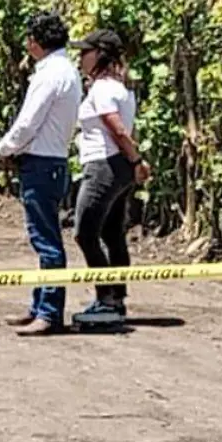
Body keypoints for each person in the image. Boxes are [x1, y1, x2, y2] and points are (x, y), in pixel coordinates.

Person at [0, 11, 82, 337]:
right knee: (44, 239)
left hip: (41, 163)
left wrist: (5, 148)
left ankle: (49, 312)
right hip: (54, 161)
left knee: (46, 241)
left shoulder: (50, 75)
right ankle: (40, 305)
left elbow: (28, 122)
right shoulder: (66, 71)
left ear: (35, 41)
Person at [70, 29, 152, 319]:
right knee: (112, 233)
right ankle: (116, 299)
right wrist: (132, 163)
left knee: (85, 233)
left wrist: (137, 159)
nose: (80, 58)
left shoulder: (102, 89)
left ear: (100, 54)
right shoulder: (121, 88)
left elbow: (117, 129)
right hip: (118, 167)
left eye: (85, 52)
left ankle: (106, 300)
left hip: (103, 166)